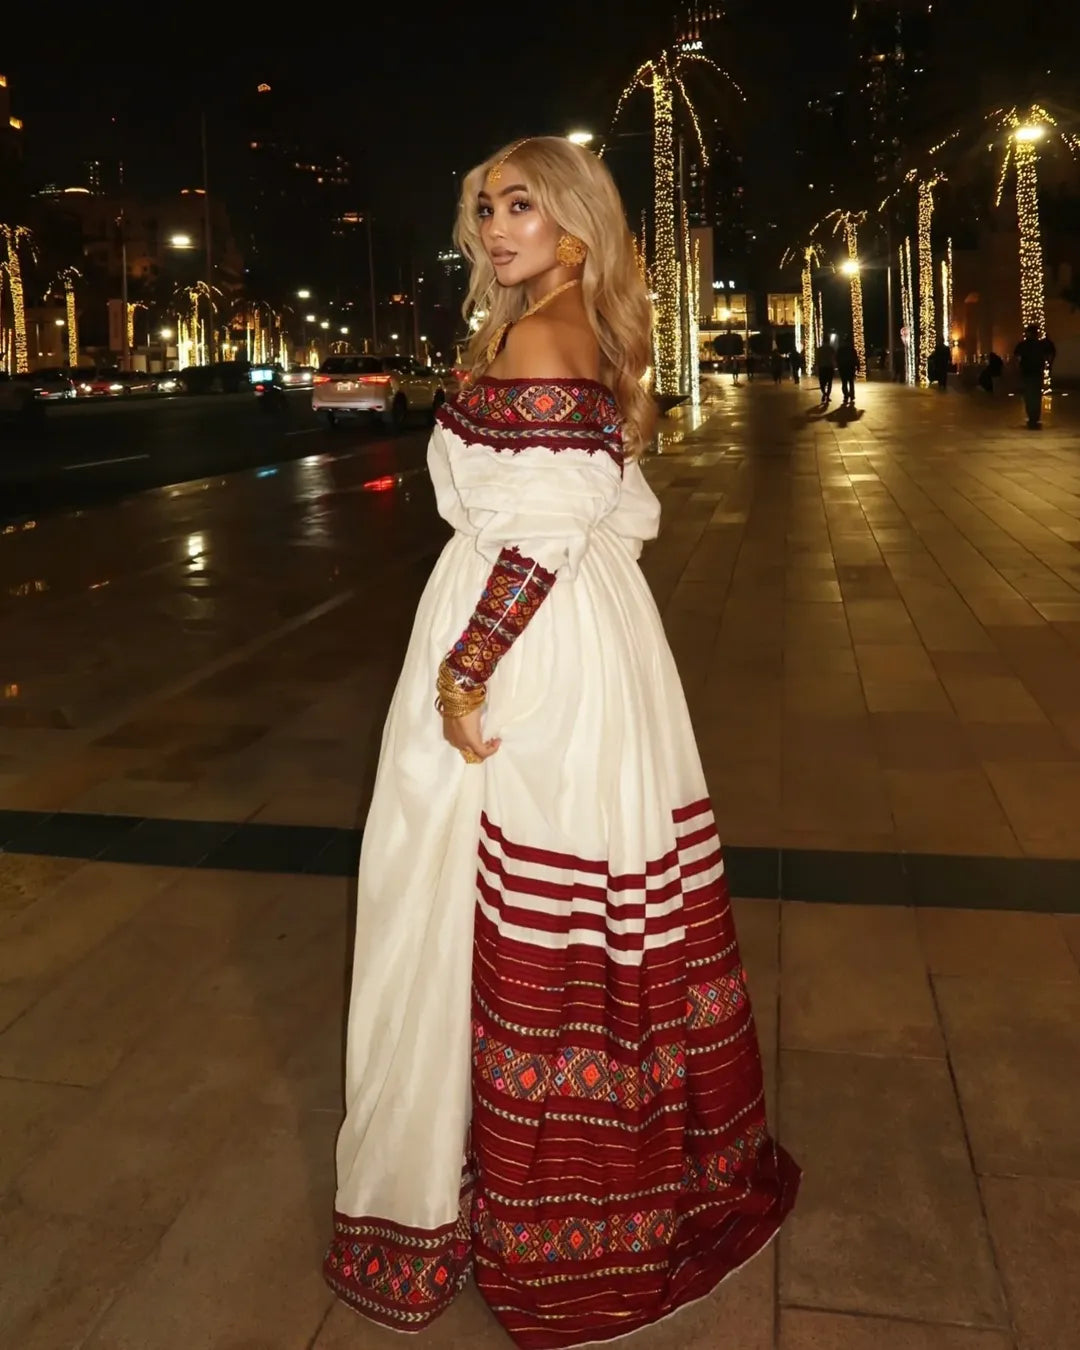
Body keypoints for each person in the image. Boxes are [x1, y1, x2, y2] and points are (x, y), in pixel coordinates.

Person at [322, 135, 799, 1350]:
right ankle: (549, 1181)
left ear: (576, 224)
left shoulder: (544, 336)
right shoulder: (558, 325)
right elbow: (606, 510)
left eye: (521, 205)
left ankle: (543, 1207)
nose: (494, 226)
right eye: (484, 206)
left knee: (487, 891)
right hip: (573, 624)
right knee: (552, 889)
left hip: (528, 641)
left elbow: (542, 533)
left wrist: (466, 673)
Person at [1014, 323, 1056, 429]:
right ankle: (1035, 417)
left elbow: (1017, 357)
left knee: (1029, 396)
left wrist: (1019, 368)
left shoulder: (1023, 345)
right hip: (1037, 372)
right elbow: (1050, 353)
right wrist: (1049, 365)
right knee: (1036, 395)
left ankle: (1031, 417)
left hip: (1027, 373)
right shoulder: (1041, 345)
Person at [836, 335, 859, 404]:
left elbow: (837, 358)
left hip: (843, 368)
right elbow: (856, 359)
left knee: (844, 383)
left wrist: (838, 365)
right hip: (851, 367)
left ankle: (846, 396)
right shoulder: (852, 350)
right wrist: (858, 366)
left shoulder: (840, 350)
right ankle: (851, 396)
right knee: (851, 382)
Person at [816, 338, 836, 402]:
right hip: (830, 367)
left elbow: (817, 359)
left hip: (822, 367)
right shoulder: (831, 349)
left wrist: (817, 367)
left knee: (822, 383)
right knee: (829, 382)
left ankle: (824, 394)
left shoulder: (819, 349)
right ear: (828, 341)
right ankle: (827, 396)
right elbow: (834, 358)